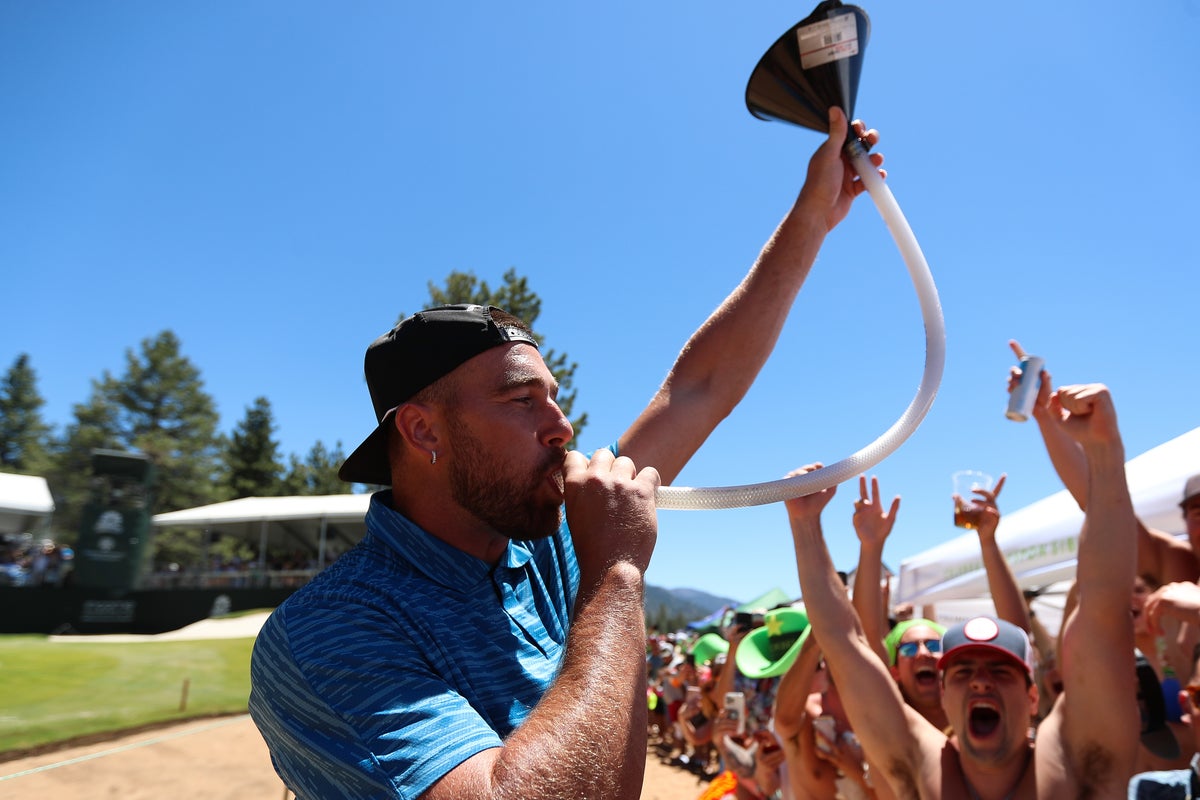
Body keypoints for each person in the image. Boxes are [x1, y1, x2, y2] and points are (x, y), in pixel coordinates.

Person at [248, 107, 887, 800]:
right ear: (423, 431)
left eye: (555, 399)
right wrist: (615, 574)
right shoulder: (327, 630)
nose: (562, 427)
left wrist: (813, 217)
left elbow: (698, 388)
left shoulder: (549, 544)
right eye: (523, 401)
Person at [784, 381, 1140, 799]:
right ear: (944, 692)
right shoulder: (920, 768)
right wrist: (805, 526)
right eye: (964, 671)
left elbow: (1104, 607)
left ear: (1031, 698)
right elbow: (846, 647)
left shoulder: (1079, 764)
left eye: (1000, 670)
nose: (980, 683)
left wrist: (1104, 453)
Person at [1008, 340, 1200, 586]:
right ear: (1185, 520)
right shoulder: (1181, 567)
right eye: (1198, 512)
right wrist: (1046, 413)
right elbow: (1101, 503)